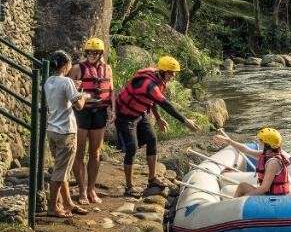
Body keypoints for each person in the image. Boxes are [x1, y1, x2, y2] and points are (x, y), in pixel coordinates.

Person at [114, 56, 200, 197]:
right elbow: (165, 104)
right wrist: (185, 121)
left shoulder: (158, 80)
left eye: (174, 73)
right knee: (132, 148)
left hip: (140, 113)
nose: (173, 76)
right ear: (162, 71)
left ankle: (152, 178)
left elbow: (151, 101)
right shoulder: (149, 84)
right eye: (170, 73)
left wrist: (158, 118)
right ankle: (129, 188)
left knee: (152, 140)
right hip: (125, 116)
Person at [43, 50, 89, 218]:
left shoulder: (49, 81)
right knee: (60, 172)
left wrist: (73, 89)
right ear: (66, 65)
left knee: (62, 169)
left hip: (52, 130)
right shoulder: (67, 82)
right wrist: (84, 96)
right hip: (66, 132)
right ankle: (53, 207)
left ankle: (68, 203)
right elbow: (79, 106)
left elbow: (60, 95)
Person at [71, 37, 114, 205]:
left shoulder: (107, 68)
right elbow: (68, 90)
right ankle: (82, 190)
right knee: (79, 152)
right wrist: (75, 87)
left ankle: (91, 189)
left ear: (101, 53)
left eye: (95, 52)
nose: (92, 55)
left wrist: (113, 110)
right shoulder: (77, 68)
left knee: (95, 153)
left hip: (100, 112)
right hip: (82, 113)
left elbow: (111, 90)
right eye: (89, 52)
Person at [214, 128, 291, 198]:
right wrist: (228, 141)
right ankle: (235, 205)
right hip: (269, 193)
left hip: (273, 197)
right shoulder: (267, 155)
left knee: (243, 191)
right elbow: (245, 150)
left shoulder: (273, 163)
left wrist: (245, 197)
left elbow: (264, 188)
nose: (259, 142)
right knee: (242, 186)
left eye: (261, 140)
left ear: (267, 144)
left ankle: (235, 205)